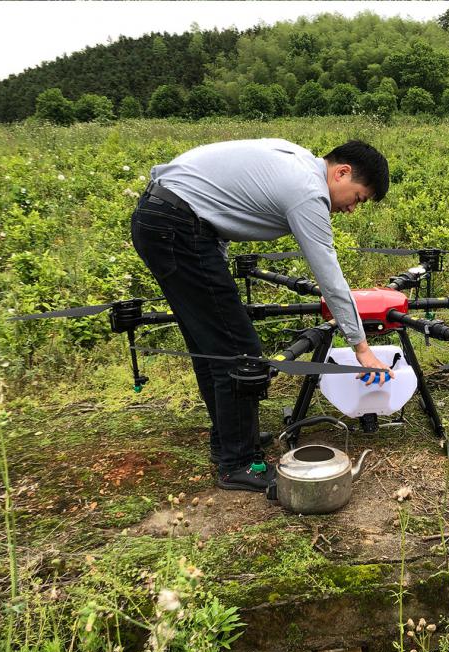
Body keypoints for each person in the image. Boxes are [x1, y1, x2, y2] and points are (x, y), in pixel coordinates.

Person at [130, 138, 395, 496]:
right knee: (241, 351)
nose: (351, 209)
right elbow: (329, 276)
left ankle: (231, 439)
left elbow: (216, 210)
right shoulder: (307, 190)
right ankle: (239, 463)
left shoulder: (297, 160)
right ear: (342, 172)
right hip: (176, 226)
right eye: (358, 198)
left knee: (213, 346)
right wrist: (361, 348)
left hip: (168, 220)